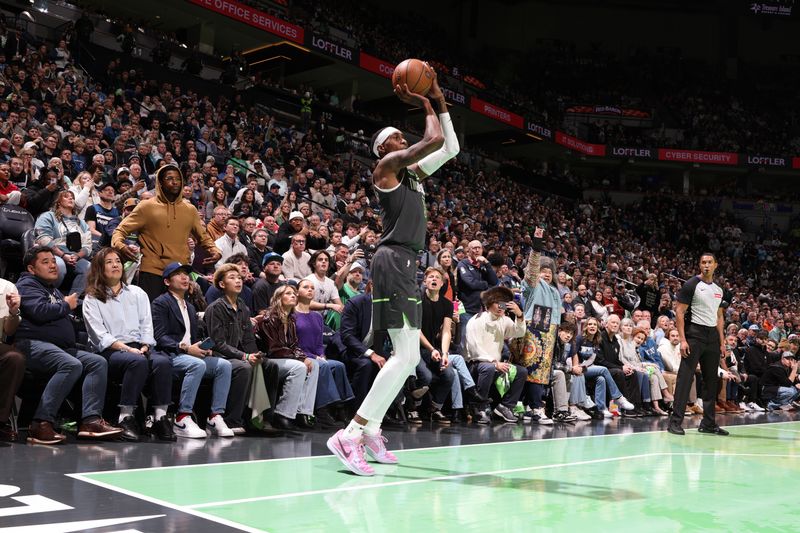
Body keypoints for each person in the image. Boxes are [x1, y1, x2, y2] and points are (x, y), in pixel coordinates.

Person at [328, 68, 458, 476]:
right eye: (398, 138)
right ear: (385, 146)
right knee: (403, 356)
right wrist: (426, 100)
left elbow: (450, 147)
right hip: (393, 260)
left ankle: (370, 429)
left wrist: (440, 99)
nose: (404, 139)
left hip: (406, 263)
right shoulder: (386, 166)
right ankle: (351, 433)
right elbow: (433, 139)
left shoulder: (414, 176)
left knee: (404, 357)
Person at [15, 246, 123, 444]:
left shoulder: (51, 289)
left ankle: (90, 420)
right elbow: (39, 311)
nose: (52, 265)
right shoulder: (26, 285)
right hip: (33, 345)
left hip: (59, 347)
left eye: (53, 261)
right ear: (31, 269)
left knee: (97, 362)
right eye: (45, 261)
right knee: (70, 364)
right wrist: (66, 305)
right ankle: (41, 422)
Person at [82, 248, 175, 441]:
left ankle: (160, 417)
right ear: (99, 268)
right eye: (109, 262)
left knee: (163, 362)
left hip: (139, 347)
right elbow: (100, 336)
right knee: (137, 362)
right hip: (110, 350)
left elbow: (146, 325)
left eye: (117, 261)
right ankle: (126, 416)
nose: (116, 265)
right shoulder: (92, 298)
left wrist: (145, 346)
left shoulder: (137, 292)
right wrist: (128, 349)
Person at [151, 262, 236, 439]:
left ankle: (215, 416)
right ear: (167, 282)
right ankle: (182, 418)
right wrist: (186, 348)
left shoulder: (189, 306)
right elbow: (159, 337)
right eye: (179, 274)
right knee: (196, 365)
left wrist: (203, 347)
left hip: (190, 353)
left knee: (224, 366)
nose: (185, 278)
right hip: (170, 355)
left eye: (186, 274)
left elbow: (192, 337)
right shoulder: (160, 303)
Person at [112, 164, 221, 301]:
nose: (175, 182)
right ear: (160, 183)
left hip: (180, 272)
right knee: (153, 319)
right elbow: (120, 231)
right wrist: (120, 245)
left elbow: (204, 237)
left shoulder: (190, 210)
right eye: (169, 178)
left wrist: (215, 250)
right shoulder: (147, 206)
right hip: (152, 272)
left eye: (178, 178)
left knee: (178, 319)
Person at [204, 263, 278, 435]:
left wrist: (254, 354)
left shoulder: (243, 307)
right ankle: (232, 420)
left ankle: (263, 419)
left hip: (241, 355)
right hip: (221, 355)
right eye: (232, 278)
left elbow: (248, 338)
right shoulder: (216, 308)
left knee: (269, 365)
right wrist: (245, 356)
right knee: (243, 367)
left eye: (239, 278)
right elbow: (217, 343)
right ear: (222, 285)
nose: (238, 281)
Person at [668, 253, 730, 436]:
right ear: (699, 265)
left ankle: (708, 423)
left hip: (712, 337)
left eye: (710, 262)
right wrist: (683, 340)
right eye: (703, 262)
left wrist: (722, 342)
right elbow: (679, 312)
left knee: (711, 381)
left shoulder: (719, 289)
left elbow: (719, 316)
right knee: (685, 379)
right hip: (694, 334)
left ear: (715, 265)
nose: (706, 265)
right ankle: (675, 422)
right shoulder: (691, 285)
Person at [259, 284, 320, 430]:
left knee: (314, 364)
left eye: (294, 293)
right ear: (279, 298)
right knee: (299, 366)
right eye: (288, 293)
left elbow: (294, 345)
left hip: (283, 358)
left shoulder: (291, 319)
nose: (293, 295)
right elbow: (274, 349)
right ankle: (283, 414)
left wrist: (302, 356)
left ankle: (302, 412)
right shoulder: (269, 318)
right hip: (267, 359)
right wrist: (299, 358)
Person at [295, 279, 354, 427]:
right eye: (305, 287)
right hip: (300, 356)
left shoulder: (317, 316)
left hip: (316, 356)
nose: (310, 290)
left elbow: (319, 343)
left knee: (338, 365)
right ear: (297, 292)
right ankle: (323, 410)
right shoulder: (292, 315)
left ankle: (341, 408)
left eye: (312, 288)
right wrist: (314, 357)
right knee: (324, 366)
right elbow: (293, 343)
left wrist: (322, 355)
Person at [465, 286, 528, 424]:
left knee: (521, 372)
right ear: (488, 303)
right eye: (497, 303)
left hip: (496, 365)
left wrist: (519, 315)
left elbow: (518, 332)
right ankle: (478, 407)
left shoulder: (503, 320)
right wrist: (494, 362)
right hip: (476, 365)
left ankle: (505, 407)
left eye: (504, 304)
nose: (501, 307)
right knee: (487, 367)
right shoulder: (477, 320)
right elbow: (475, 349)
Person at [34, 190, 92, 294]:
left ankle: (72, 300)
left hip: (74, 257)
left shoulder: (82, 223)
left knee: (89, 267)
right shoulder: (48, 216)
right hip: (52, 254)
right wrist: (63, 255)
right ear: (58, 202)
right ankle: (50, 294)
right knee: (59, 265)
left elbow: (88, 246)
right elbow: (43, 239)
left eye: (72, 197)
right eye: (66, 197)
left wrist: (77, 256)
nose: (71, 198)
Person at [0, 278, 24, 443]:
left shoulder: (7, 287)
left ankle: (0, 421)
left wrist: (13, 311)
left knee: (15, 358)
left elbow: (9, 330)